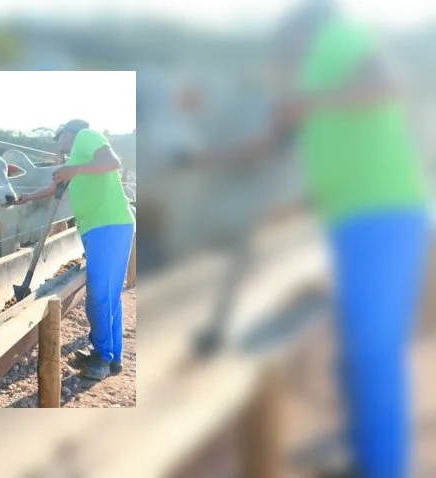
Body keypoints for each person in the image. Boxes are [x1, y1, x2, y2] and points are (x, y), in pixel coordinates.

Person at [226, 1, 431, 476]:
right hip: (358, 218)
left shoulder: (337, 38)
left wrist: (307, 102)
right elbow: (279, 141)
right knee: (359, 344)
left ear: (301, 30)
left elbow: (385, 86)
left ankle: (383, 467)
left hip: (382, 212)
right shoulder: (315, 72)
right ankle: (365, 450)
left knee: (374, 350)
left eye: (286, 45)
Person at [13, 119, 135, 380]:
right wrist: (27, 198)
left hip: (108, 224)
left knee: (99, 294)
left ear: (69, 133)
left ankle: (101, 358)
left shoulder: (86, 136)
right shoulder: (75, 163)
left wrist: (73, 168)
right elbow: (52, 189)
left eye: (59, 137)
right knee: (109, 294)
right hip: (98, 228)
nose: (60, 145)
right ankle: (112, 358)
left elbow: (113, 162)